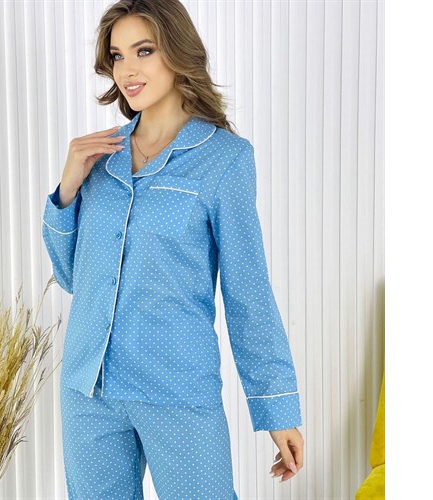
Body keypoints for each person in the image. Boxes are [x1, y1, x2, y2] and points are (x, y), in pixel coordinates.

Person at [42, 0, 304, 498]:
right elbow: (73, 277)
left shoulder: (224, 159)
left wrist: (278, 408)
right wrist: (67, 191)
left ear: (178, 52)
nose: (127, 70)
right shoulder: (98, 157)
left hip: (176, 388)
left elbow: (248, 292)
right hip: (88, 389)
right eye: (117, 55)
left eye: (144, 50)